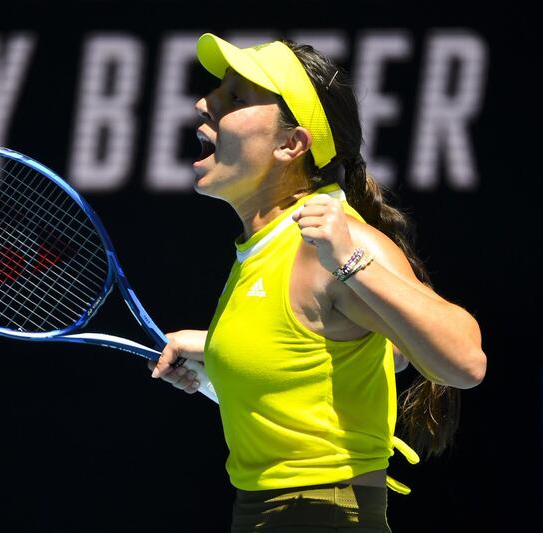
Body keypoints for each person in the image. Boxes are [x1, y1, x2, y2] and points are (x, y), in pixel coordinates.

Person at [149, 33, 486, 532]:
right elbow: (361, 350)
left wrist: (351, 261)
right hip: (272, 513)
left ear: (292, 144)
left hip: (320, 516)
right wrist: (212, 354)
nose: (204, 102)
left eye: (236, 98)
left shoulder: (330, 240)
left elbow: (464, 361)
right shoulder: (267, 247)